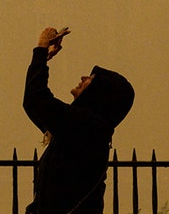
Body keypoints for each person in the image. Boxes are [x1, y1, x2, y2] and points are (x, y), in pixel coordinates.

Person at [23, 26, 135, 214]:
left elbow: (36, 99)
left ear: (99, 95)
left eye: (91, 79)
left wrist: (41, 49)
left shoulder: (85, 125)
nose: (83, 78)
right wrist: (44, 59)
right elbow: (34, 105)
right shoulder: (88, 127)